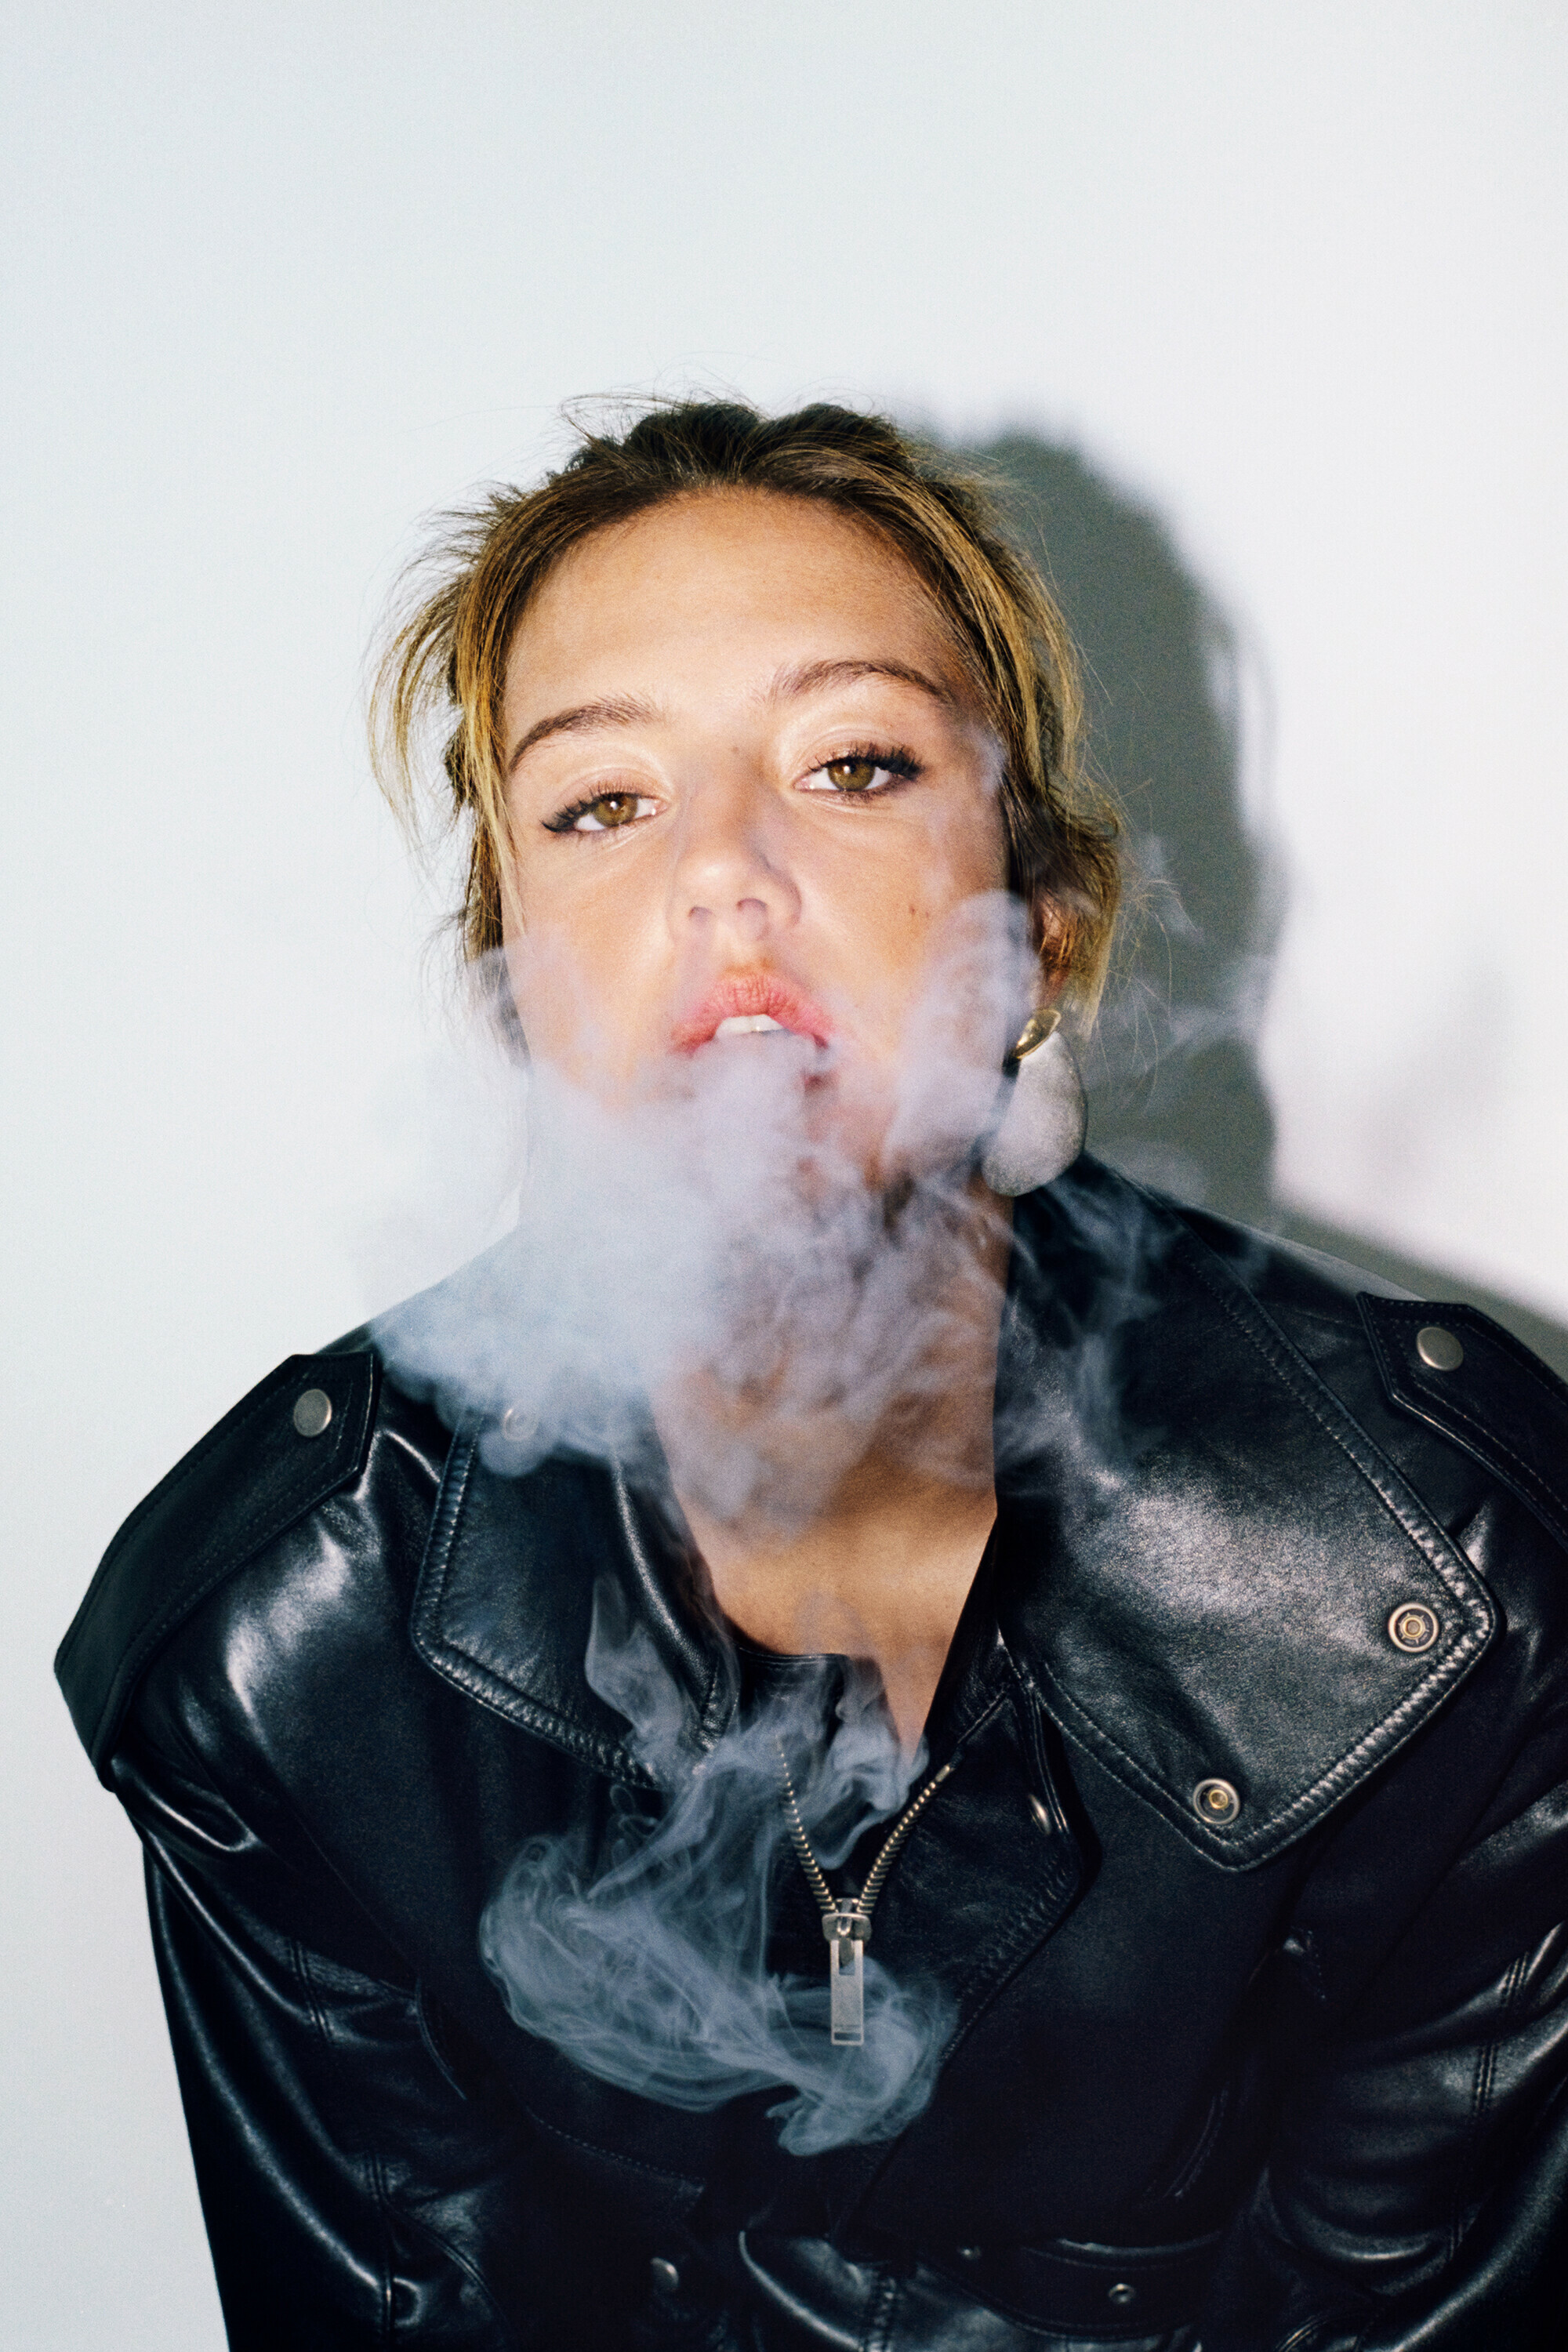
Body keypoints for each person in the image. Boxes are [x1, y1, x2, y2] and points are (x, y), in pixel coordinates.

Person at [56, 401, 1568, 2350]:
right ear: (515, 986)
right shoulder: (288, 1646)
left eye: (854, 764)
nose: (724, 873)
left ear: (1041, 935)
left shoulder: (1447, 1592)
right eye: (601, 803)